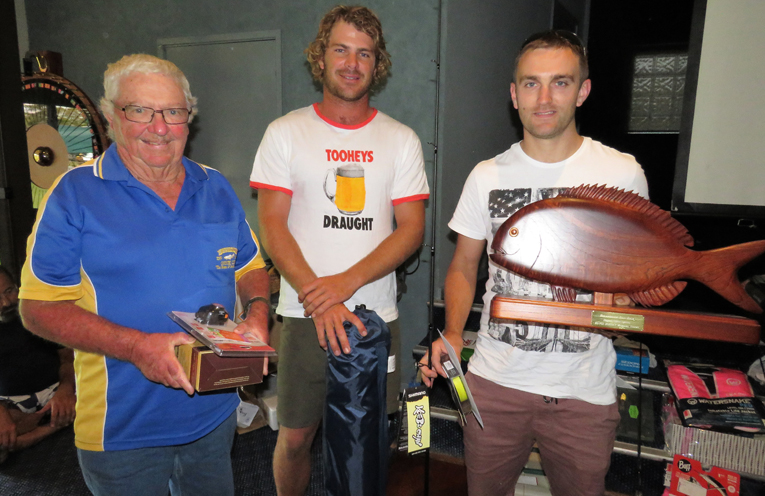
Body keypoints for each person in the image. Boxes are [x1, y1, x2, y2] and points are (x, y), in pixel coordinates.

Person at [18, 54, 270, 496]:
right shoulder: (73, 194)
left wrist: (258, 315)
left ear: (188, 120)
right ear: (111, 116)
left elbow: (250, 267)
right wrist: (138, 348)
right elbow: (37, 309)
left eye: (173, 112)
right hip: (123, 430)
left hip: (212, 415)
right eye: (140, 111)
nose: (159, 127)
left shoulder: (215, 187)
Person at [420, 30, 649, 495]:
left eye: (560, 83)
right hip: (496, 381)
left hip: (585, 390)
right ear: (514, 94)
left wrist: (619, 307)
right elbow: (464, 266)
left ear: (583, 91)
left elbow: (639, 279)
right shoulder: (487, 176)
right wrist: (452, 333)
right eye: (530, 83)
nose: (544, 98)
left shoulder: (623, 174)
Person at [250, 5, 429, 495]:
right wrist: (318, 295)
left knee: (367, 436)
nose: (352, 62)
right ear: (321, 57)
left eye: (364, 53)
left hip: (373, 317)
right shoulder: (285, 133)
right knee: (295, 437)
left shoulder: (401, 140)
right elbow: (272, 223)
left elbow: (411, 230)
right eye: (341, 49)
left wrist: (342, 287)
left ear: (378, 63)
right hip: (305, 313)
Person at [0, 266, 76, 464]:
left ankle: (24, 438)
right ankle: (52, 424)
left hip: (55, 391)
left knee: (107, 398)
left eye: (9, 291)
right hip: (11, 402)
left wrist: (65, 391)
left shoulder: (38, 314)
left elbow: (68, 358)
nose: (6, 302)